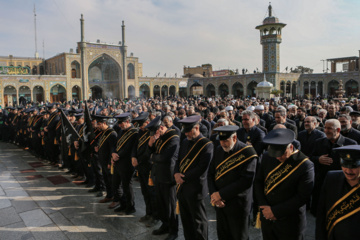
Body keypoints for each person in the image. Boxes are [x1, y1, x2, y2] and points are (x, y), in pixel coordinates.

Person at [254, 128, 314, 240]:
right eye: (274, 153)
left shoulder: (305, 165)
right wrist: (264, 206)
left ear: (291, 147)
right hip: (267, 216)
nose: (278, 157)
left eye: (282, 154)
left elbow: (302, 196)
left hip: (290, 222)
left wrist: (275, 211)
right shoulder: (267, 156)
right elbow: (258, 181)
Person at [208, 125, 258, 240]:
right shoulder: (219, 150)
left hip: (238, 204)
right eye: (221, 140)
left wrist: (220, 195)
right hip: (220, 203)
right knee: (223, 235)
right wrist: (214, 194)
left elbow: (245, 181)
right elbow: (210, 174)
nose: (223, 143)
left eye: (226, 141)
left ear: (234, 138)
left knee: (239, 236)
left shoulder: (248, 153)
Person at [174, 115, 213, 240]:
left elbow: (202, 168)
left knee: (199, 222)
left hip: (196, 188)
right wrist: (175, 173)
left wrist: (183, 177)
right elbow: (178, 160)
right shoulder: (185, 141)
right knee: (186, 221)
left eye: (188, 131)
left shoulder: (206, 144)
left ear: (196, 128)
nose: (186, 134)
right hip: (182, 187)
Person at [310, 119, 357, 215]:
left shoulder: (351, 144)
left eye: (329, 128)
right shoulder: (318, 142)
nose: (326, 131)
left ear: (338, 130)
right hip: (321, 182)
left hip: (342, 183)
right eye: (325, 128)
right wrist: (318, 159)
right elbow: (309, 158)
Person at [316, 145, 360, 240]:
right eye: (344, 164)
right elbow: (321, 215)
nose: (348, 170)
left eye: (354, 166)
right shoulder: (332, 178)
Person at [146, 116, 180, 240]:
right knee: (162, 204)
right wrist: (150, 145)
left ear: (161, 127)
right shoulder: (161, 137)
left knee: (170, 206)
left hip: (168, 176)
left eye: (156, 132)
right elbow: (151, 153)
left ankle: (173, 230)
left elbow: (165, 157)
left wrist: (153, 156)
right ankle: (165, 225)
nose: (155, 135)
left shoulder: (173, 138)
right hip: (158, 174)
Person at [111, 112, 138, 214]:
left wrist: (117, 156)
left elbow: (128, 149)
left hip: (126, 163)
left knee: (127, 186)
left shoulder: (134, 133)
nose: (119, 125)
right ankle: (122, 204)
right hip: (117, 161)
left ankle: (130, 207)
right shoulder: (122, 131)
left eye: (121, 123)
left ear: (127, 122)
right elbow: (116, 144)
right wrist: (113, 153)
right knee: (116, 184)